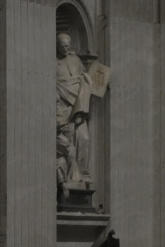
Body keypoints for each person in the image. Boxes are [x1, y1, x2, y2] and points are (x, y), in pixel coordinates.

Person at [56, 31, 93, 196]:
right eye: (62, 46)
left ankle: (82, 175)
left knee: (84, 139)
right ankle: (70, 180)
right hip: (63, 110)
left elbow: (87, 77)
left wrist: (100, 81)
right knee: (68, 149)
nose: (66, 48)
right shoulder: (53, 62)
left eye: (67, 46)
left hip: (78, 108)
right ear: (57, 46)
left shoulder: (76, 60)